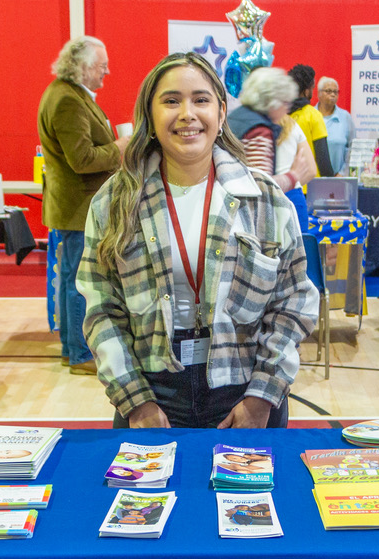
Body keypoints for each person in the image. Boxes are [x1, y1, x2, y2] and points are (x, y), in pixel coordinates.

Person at [78, 52, 318, 430]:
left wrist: (261, 398)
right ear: (150, 115)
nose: (187, 113)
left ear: (221, 113)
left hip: (245, 393)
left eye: (200, 100)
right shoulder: (114, 203)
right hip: (153, 396)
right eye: (171, 100)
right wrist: (135, 402)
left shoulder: (267, 201)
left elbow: (294, 303)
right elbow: (101, 310)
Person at [37, 36, 130, 375]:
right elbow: (83, 159)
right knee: (79, 284)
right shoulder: (67, 101)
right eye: (101, 65)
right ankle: (79, 354)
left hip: (73, 207)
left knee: (71, 283)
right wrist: (120, 147)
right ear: (83, 67)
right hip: (78, 209)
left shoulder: (67, 94)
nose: (107, 71)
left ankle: (70, 350)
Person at [227, 67, 317, 222]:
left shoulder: (236, 117)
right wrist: (292, 176)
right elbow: (260, 187)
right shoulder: (259, 131)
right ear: (273, 102)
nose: (287, 109)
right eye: (285, 103)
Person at [286, 64, 335, 178]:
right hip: (311, 186)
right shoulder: (313, 115)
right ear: (306, 91)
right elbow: (323, 159)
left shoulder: (281, 115)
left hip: (287, 185)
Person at [317, 76, 355, 174]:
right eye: (328, 91)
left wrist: (343, 172)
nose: (333, 95)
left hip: (339, 178)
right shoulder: (311, 115)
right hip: (313, 179)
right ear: (319, 93)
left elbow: (353, 148)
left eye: (335, 92)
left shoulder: (345, 117)